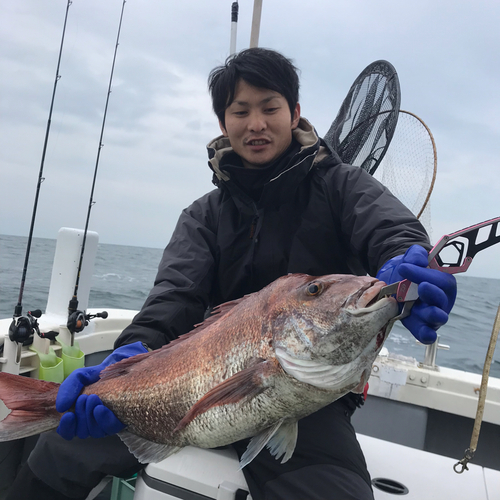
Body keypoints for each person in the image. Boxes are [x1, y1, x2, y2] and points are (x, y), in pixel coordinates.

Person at [7, 48, 456, 500]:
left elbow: (391, 228)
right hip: (190, 386)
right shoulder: (203, 216)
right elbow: (175, 295)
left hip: (311, 403)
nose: (256, 123)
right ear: (224, 124)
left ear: (295, 112)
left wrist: (409, 261)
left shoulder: (341, 186)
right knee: (57, 452)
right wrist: (128, 359)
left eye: (270, 107)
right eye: (240, 111)